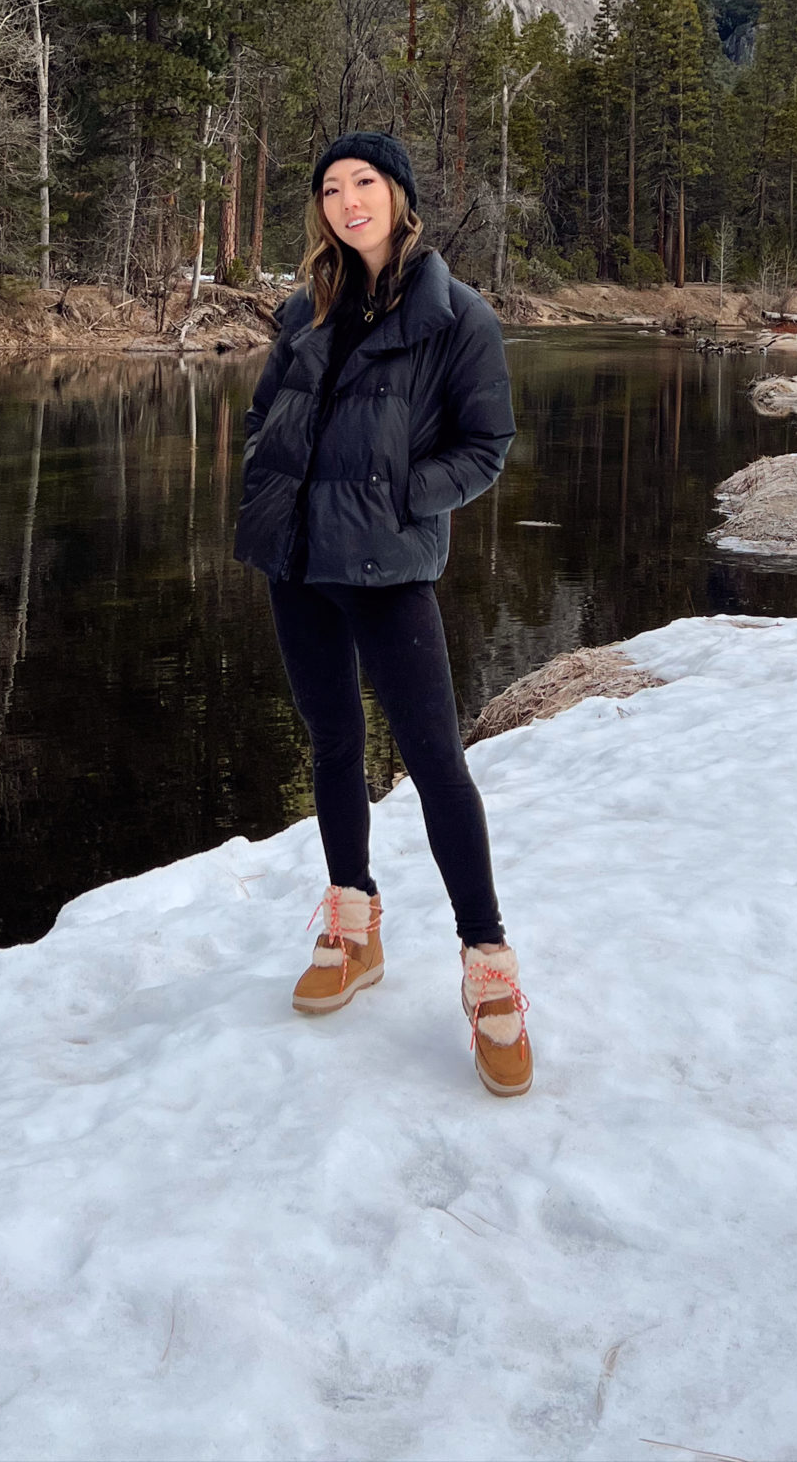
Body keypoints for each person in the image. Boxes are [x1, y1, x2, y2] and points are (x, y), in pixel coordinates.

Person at [234, 132, 533, 1098]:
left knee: (437, 763)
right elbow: (264, 419)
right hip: (298, 563)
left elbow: (485, 447)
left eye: (364, 183)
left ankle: (487, 966)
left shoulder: (457, 318)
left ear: (399, 195)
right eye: (331, 187)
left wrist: (399, 497)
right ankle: (351, 924)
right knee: (329, 745)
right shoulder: (302, 309)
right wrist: (273, 486)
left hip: (389, 568)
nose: (347, 200)